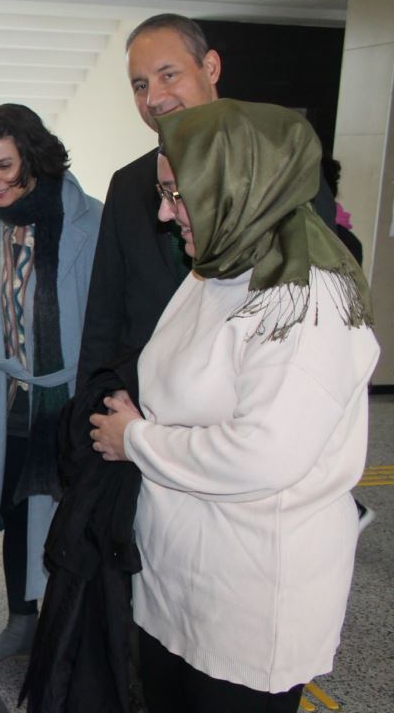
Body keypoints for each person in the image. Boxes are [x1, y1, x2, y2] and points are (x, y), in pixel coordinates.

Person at [89, 100, 379, 713]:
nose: (167, 215)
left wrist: (135, 439)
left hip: (251, 590)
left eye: (178, 194)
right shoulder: (214, 269)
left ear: (237, 184)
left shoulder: (308, 299)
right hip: (180, 574)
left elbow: (262, 454)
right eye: (164, 194)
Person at [77, 13, 335, 387]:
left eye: (169, 75)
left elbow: (309, 297)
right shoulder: (129, 185)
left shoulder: (280, 169)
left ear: (210, 67)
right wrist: (94, 405)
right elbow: (105, 312)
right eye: (139, 84)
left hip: (246, 394)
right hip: (139, 402)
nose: (154, 98)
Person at [0, 104, 101, 663]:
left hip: (67, 398)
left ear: (34, 161)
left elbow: (103, 315)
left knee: (72, 513)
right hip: (7, 395)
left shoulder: (88, 220)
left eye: (4, 167)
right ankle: (22, 621)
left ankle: (74, 630)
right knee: (17, 506)